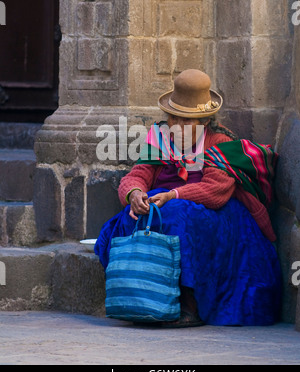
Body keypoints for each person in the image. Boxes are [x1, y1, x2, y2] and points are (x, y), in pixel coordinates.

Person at [94, 69, 282, 328]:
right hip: (166, 203)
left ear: (204, 121)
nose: (177, 126)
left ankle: (188, 304)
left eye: (186, 120)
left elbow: (214, 192)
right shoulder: (160, 138)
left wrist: (172, 194)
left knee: (178, 215)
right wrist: (135, 194)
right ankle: (140, 296)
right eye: (173, 118)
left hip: (215, 214)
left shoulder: (220, 143)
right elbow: (138, 174)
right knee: (132, 216)